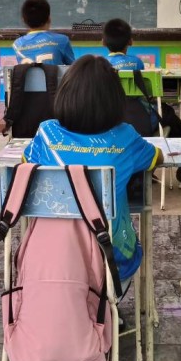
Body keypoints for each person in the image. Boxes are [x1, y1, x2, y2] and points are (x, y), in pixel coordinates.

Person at [23, 55, 162, 290]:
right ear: (115, 100)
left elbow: (26, 160)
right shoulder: (125, 136)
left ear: (65, 94)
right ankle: (107, 306)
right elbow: (155, 158)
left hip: (51, 264)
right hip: (111, 263)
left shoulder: (46, 134)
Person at [13, 0, 76, 64]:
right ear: (49, 19)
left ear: (24, 20)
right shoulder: (62, 40)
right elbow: (73, 67)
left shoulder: (17, 44)